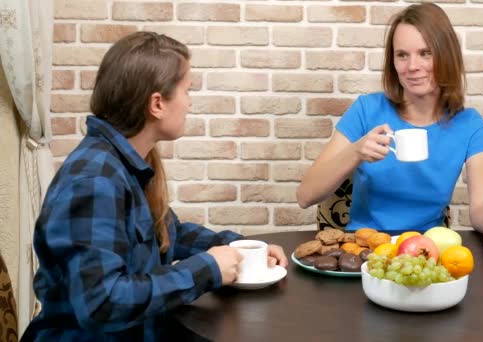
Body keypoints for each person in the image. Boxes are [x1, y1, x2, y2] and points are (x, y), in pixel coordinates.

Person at [22, 31, 288, 341]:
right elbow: (102, 304)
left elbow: (166, 233)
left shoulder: (125, 163)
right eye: (187, 91)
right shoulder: (95, 181)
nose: (189, 103)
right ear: (157, 104)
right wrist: (206, 269)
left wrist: (240, 248)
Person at [296, 3, 483, 251]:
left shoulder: (470, 126)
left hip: (427, 250)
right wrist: (355, 152)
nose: (412, 66)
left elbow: (481, 206)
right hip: (365, 251)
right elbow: (305, 195)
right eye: (402, 55)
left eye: (426, 53)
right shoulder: (366, 109)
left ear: (446, 56)